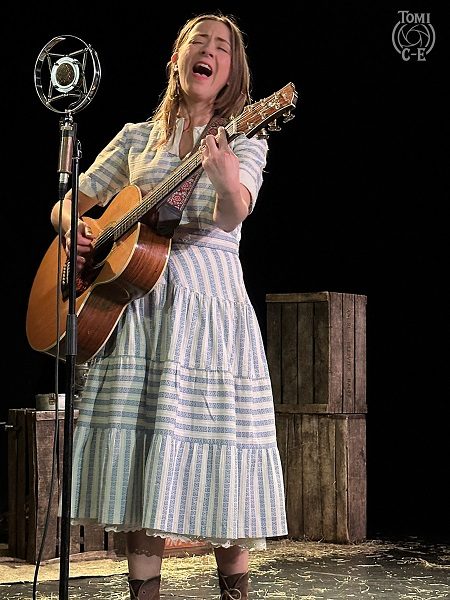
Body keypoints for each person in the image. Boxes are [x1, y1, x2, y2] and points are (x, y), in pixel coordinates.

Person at [50, 12, 287, 600]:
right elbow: (68, 202)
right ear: (176, 60)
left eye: (222, 47)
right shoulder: (136, 138)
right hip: (137, 308)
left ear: (232, 72)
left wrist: (225, 176)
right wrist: (78, 228)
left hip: (209, 310)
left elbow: (233, 213)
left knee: (224, 455)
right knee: (141, 462)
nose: (209, 51)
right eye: (197, 41)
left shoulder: (245, 138)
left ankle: (234, 591)